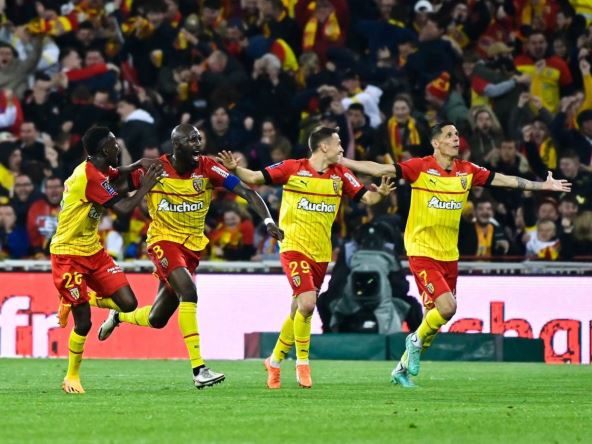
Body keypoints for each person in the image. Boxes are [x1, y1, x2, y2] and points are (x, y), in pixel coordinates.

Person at [340, 121, 571, 388]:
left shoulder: (467, 170)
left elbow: (505, 180)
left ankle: (401, 369)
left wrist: (542, 186)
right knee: (448, 307)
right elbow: (381, 169)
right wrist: (343, 161)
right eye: (449, 135)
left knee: (433, 324)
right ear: (436, 143)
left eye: (457, 134)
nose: (455, 139)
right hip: (421, 250)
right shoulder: (420, 167)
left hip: (449, 254)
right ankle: (412, 341)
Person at [98, 124, 283, 389]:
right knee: (189, 292)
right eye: (191, 140)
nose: (198, 144)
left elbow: (246, 192)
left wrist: (268, 221)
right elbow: (113, 191)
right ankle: (199, 369)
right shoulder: (154, 169)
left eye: (199, 139)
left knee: (157, 319)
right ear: (176, 145)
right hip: (163, 242)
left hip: (192, 248)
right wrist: (97, 192)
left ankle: (118, 316)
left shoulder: (208, 168)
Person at [217, 126, 396, 389]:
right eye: (338, 143)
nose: (342, 148)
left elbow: (366, 198)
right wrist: (235, 169)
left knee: (298, 309)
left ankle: (274, 361)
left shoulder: (341, 174)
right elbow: (255, 177)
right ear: (324, 147)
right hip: (293, 247)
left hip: (321, 252)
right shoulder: (292, 168)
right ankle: (302, 363)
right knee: (308, 303)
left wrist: (379, 194)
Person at [50, 126, 163, 394]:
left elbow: (119, 173)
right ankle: (71, 376)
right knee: (84, 322)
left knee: (128, 303)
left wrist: (138, 164)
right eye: (113, 143)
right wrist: (147, 185)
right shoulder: (89, 176)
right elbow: (124, 208)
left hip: (93, 251)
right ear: (103, 149)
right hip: (68, 254)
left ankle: (76, 298)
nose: (118, 146)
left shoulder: (99, 168)